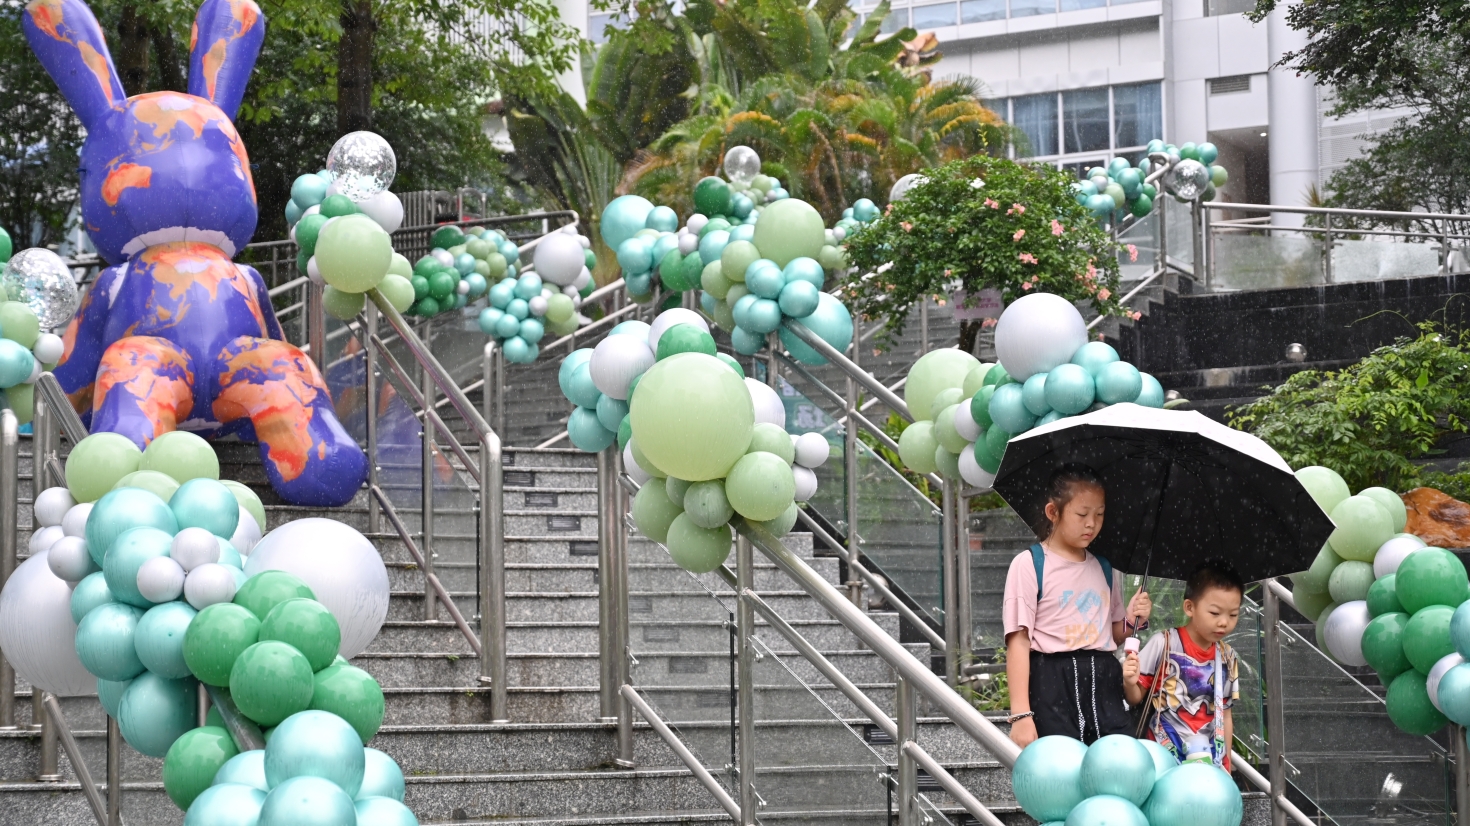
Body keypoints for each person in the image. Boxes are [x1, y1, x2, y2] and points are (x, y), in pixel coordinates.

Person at [1003, 464, 1152, 747]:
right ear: (1053, 512)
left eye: (1099, 514)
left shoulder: (1105, 568)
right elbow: (1018, 642)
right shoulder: (1030, 564)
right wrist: (1021, 714)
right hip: (1051, 681)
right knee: (1063, 770)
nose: (1091, 524)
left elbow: (1111, 633)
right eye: (1082, 514)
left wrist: (1132, 619)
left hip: (1104, 680)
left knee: (1117, 760)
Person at [1123, 559, 1243, 770]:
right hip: (1161, 757)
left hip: (1209, 761)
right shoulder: (1164, 643)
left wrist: (1226, 764)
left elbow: (1225, 714)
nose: (1224, 622)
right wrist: (1129, 682)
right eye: (1215, 613)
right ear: (1189, 607)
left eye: (1233, 614)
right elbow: (1134, 698)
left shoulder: (1228, 656)